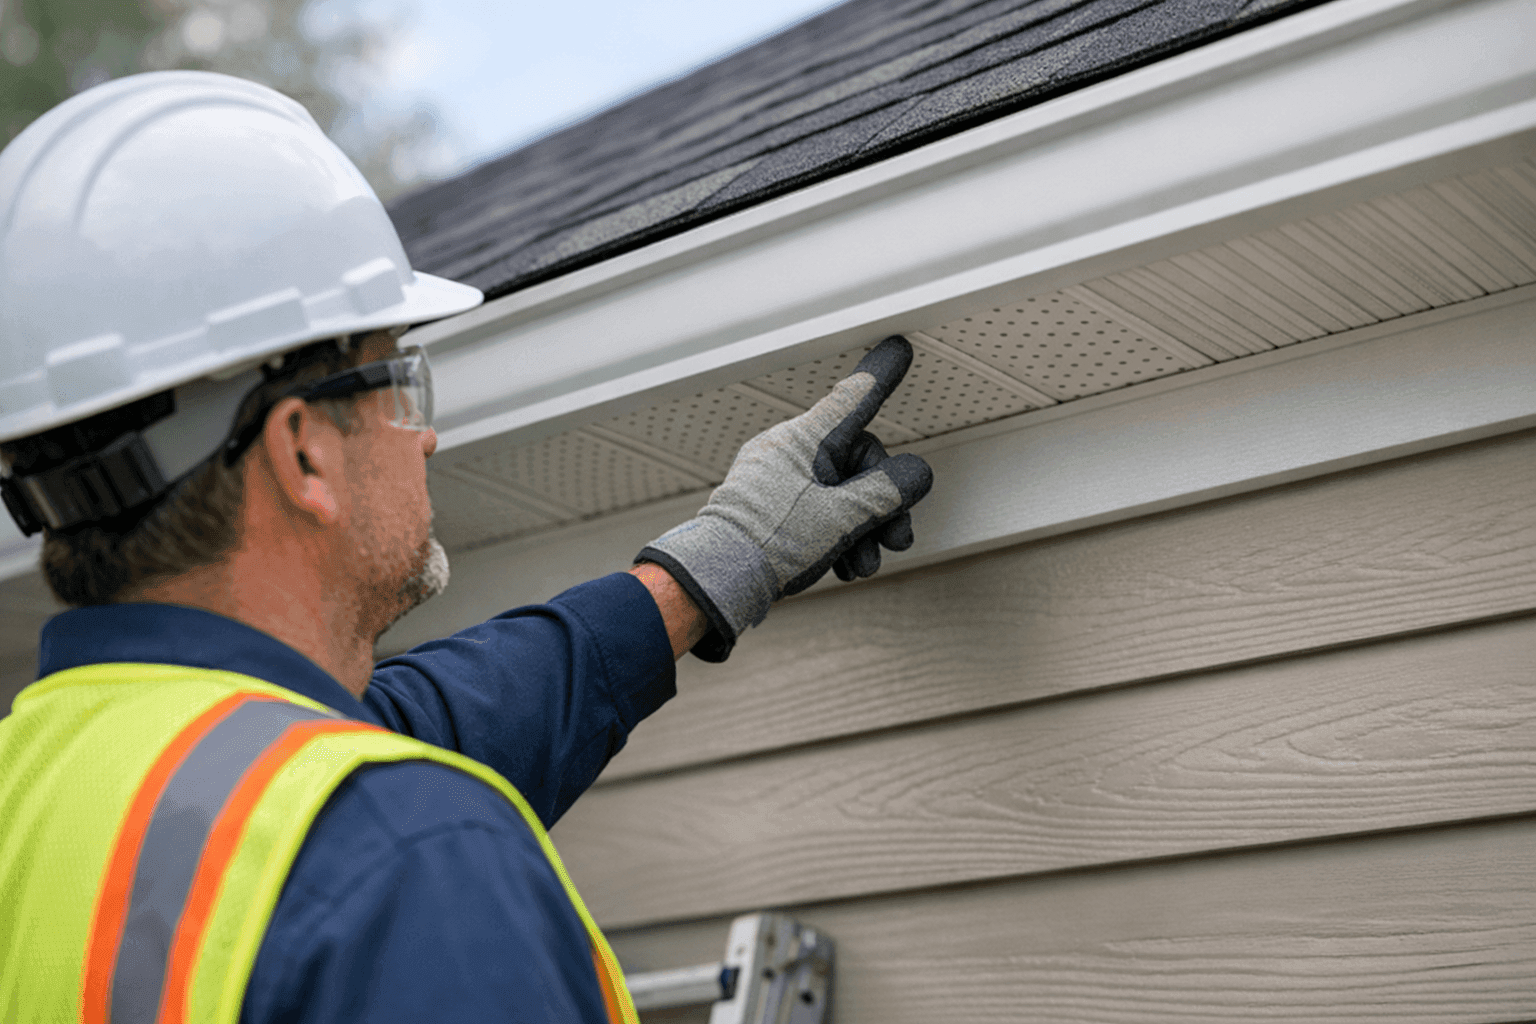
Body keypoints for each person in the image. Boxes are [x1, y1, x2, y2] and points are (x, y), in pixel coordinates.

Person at [0, 72, 933, 1023]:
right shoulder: (412, 863)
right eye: (401, 381)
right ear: (301, 453)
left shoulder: (40, 787)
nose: (427, 436)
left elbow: (417, 724)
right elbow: (366, 804)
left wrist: (718, 560)